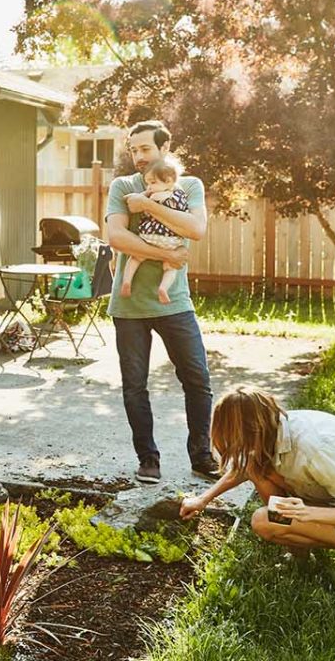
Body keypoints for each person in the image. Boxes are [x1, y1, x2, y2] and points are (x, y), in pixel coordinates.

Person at [105, 120, 219, 484]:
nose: (138, 157)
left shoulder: (189, 185)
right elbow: (117, 237)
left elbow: (196, 230)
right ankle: (148, 458)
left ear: (164, 147)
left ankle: (202, 454)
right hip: (130, 307)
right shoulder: (122, 186)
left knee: (198, 380)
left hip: (175, 303)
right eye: (133, 149)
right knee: (135, 385)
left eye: (145, 149)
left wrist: (149, 207)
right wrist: (167, 255)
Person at [180, 386, 335, 556]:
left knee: (263, 520)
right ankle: (299, 553)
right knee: (256, 467)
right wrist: (203, 499)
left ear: (253, 431)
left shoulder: (315, 447)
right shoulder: (275, 426)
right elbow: (243, 468)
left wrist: (306, 513)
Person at [119, 157, 190, 304]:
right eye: (147, 183)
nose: (149, 187)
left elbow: (139, 202)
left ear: (169, 181)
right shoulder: (179, 194)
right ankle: (163, 288)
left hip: (149, 236)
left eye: (153, 182)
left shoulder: (157, 195)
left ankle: (126, 281)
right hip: (171, 241)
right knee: (171, 268)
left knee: (135, 257)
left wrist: (140, 196)